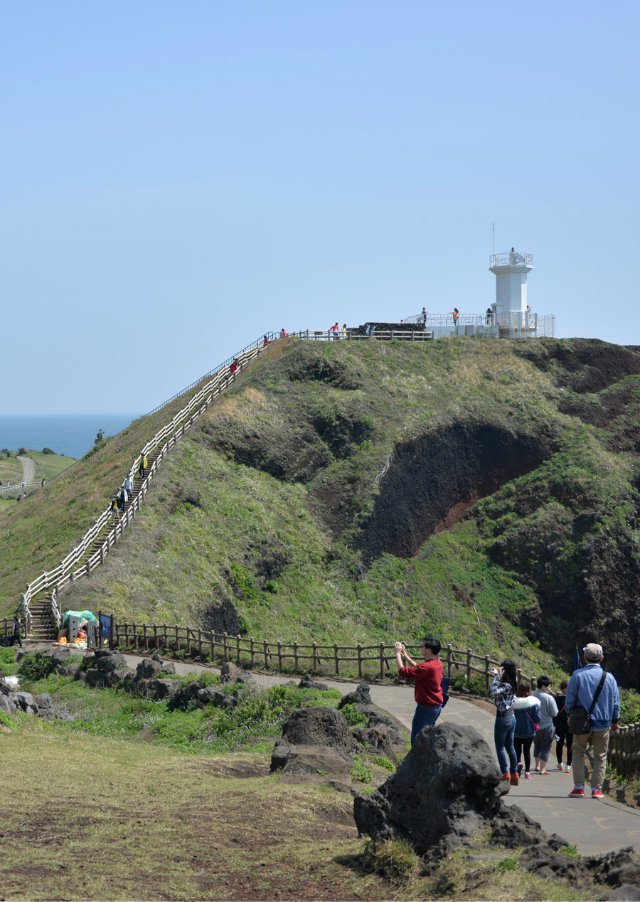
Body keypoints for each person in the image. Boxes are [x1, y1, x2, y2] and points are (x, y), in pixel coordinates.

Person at [566, 643, 620, 799]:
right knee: (600, 756)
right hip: (603, 722)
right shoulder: (609, 678)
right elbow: (616, 702)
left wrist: (570, 714)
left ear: (584, 657)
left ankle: (578, 787)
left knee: (578, 752)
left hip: (581, 721)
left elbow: (570, 699)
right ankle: (596, 789)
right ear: (601, 658)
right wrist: (615, 720)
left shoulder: (577, 675)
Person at [394, 637, 444, 745]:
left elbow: (403, 672)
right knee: (428, 737)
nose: (421, 647)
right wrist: (406, 656)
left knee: (417, 739)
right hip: (435, 707)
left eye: (422, 646)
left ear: (428, 650)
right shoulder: (437, 663)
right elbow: (419, 668)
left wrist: (397, 654)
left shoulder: (427, 667)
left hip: (425, 708)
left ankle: (416, 761)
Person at [489, 660, 519, 785]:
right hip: (512, 717)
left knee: (500, 747)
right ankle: (514, 773)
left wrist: (496, 676)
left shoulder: (506, 685)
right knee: (510, 746)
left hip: (503, 719)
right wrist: (500, 676)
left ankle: (505, 773)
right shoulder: (513, 681)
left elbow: (493, 692)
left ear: (505, 670)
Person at [513, 683, 540, 780]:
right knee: (527, 752)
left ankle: (518, 765)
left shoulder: (514, 701)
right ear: (529, 691)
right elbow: (537, 718)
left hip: (516, 730)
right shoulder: (532, 702)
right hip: (529, 731)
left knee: (517, 751)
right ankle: (527, 772)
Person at [533, 676, 558, 774]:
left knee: (537, 746)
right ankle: (542, 769)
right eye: (549, 686)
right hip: (547, 726)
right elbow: (554, 713)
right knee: (546, 747)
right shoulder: (549, 698)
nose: (550, 688)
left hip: (534, 726)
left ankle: (537, 766)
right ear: (543, 686)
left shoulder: (532, 694)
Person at [554, 680, 573, 773]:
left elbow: (554, 713)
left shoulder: (556, 699)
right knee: (570, 745)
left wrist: (554, 724)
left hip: (559, 725)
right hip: (570, 725)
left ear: (561, 689)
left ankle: (560, 763)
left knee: (559, 744)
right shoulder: (572, 699)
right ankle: (568, 765)